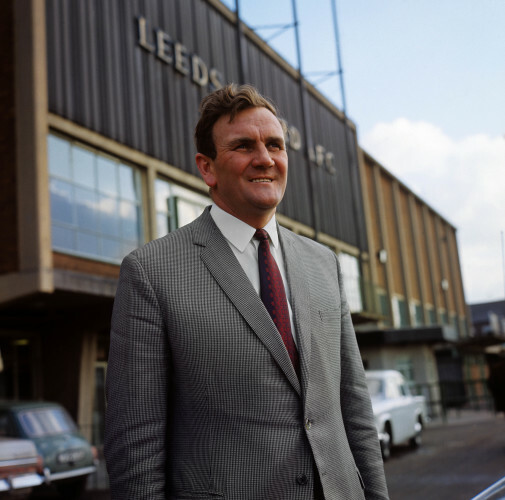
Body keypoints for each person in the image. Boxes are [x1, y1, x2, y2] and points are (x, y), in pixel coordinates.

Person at [104, 83, 389, 500]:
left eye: (275, 144)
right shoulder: (151, 272)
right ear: (207, 168)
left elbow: (355, 406)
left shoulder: (323, 262)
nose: (265, 159)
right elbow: (135, 442)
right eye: (244, 146)